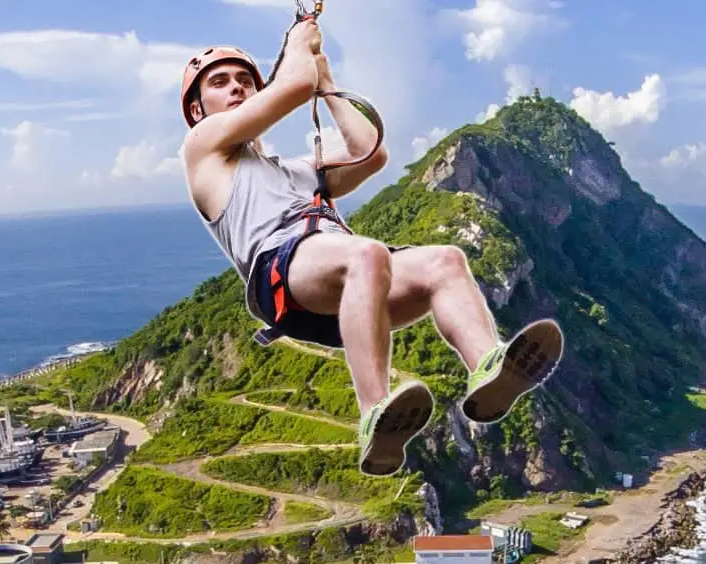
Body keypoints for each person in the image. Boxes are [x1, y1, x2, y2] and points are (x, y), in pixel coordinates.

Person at [178, 20, 564, 477]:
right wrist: (299, 42)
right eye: (220, 83)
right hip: (282, 276)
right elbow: (294, 84)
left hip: (345, 286)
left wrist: (328, 85)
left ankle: (487, 368)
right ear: (199, 110)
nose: (237, 88)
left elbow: (371, 153)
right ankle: (373, 413)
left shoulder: (299, 170)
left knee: (445, 260)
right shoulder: (203, 149)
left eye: (245, 80)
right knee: (367, 252)